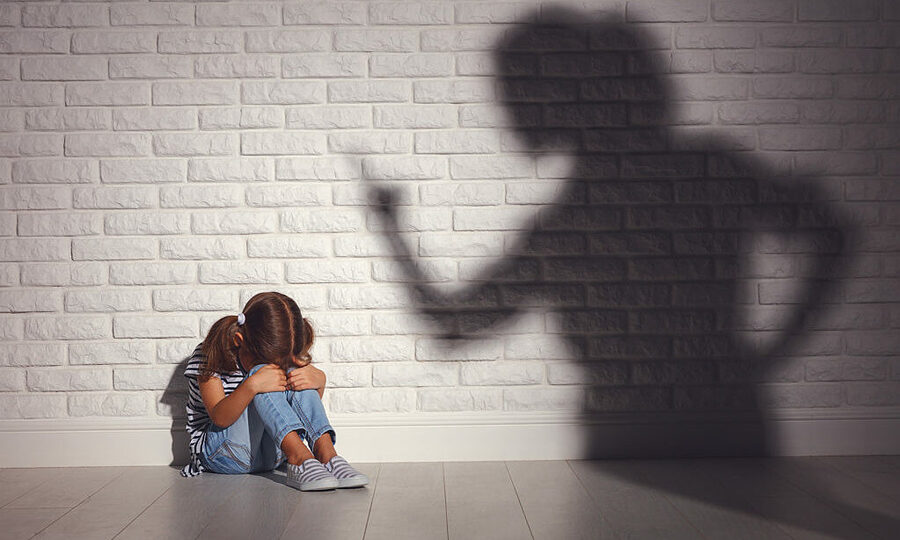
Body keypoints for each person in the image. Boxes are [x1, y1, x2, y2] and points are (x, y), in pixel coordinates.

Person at [180, 291, 367, 491]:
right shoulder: (210, 353)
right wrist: (252, 384)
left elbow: (295, 411)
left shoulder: (285, 352)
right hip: (223, 455)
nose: (273, 367)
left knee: (295, 372)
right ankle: (300, 458)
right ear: (239, 340)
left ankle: (327, 456)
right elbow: (220, 418)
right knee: (262, 374)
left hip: (274, 455)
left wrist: (319, 382)